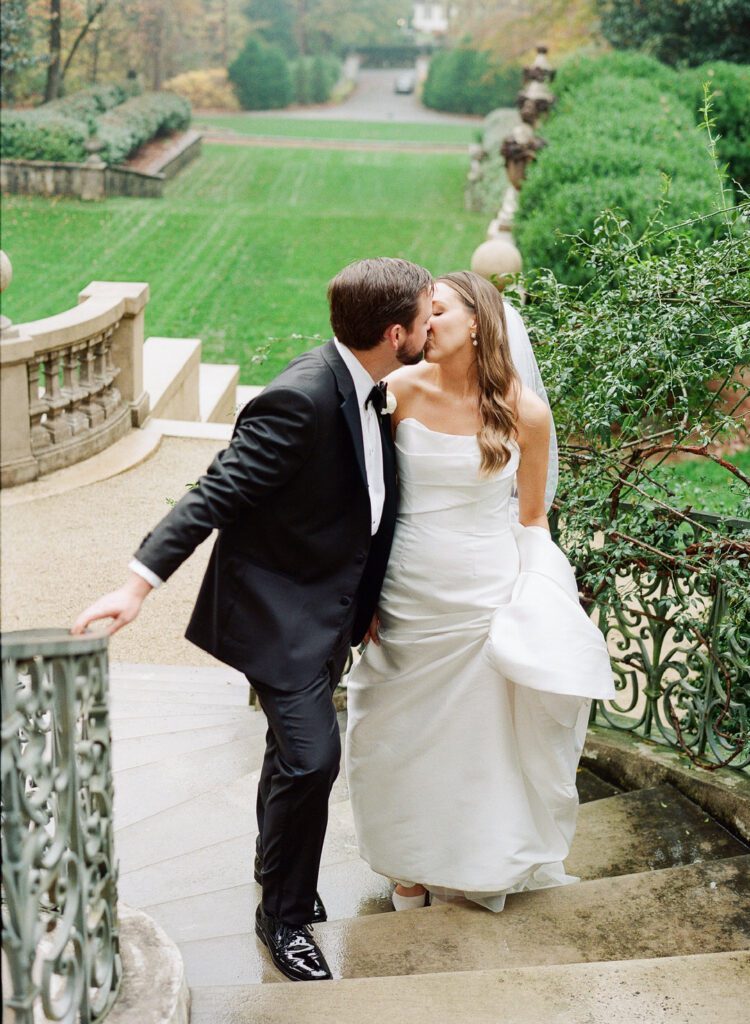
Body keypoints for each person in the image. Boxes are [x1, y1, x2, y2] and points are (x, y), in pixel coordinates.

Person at [72, 257, 434, 980]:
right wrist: (139, 584)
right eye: (428, 316)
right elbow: (217, 491)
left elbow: (359, 508)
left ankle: (278, 875)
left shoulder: (373, 388)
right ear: (395, 334)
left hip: (331, 610)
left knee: (287, 757)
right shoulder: (300, 397)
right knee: (312, 758)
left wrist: (361, 605)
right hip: (278, 613)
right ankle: (284, 916)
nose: (434, 326)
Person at [345, 271, 614, 912]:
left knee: (472, 744)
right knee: (388, 730)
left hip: (482, 600)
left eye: (436, 311)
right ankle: (406, 866)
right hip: (406, 595)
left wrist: (543, 596)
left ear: (479, 321)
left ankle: (470, 859)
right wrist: (363, 592)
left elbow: (531, 520)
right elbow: (370, 502)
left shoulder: (526, 412)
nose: (423, 323)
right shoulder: (396, 392)